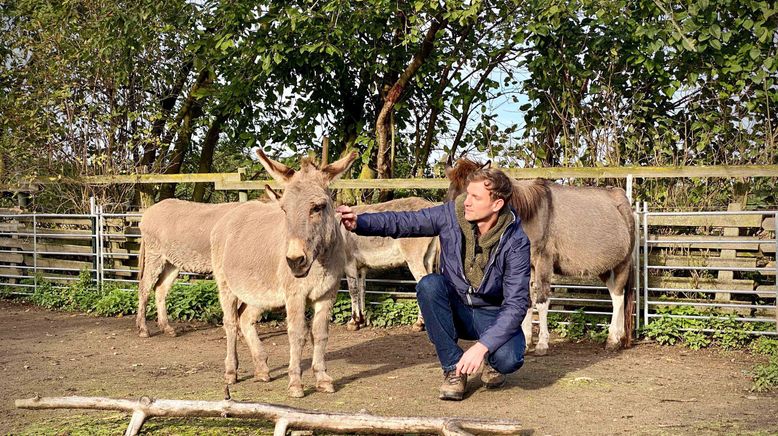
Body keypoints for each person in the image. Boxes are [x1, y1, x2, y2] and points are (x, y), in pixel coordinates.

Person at [337, 167, 531, 401]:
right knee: (429, 285)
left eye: (475, 197)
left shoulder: (516, 241)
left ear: (497, 205)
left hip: (491, 312)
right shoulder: (451, 215)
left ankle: (493, 363)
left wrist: (482, 348)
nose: (466, 201)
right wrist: (360, 222)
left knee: (509, 358)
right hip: (457, 306)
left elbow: (516, 304)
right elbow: (405, 221)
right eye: (467, 194)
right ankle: (453, 369)